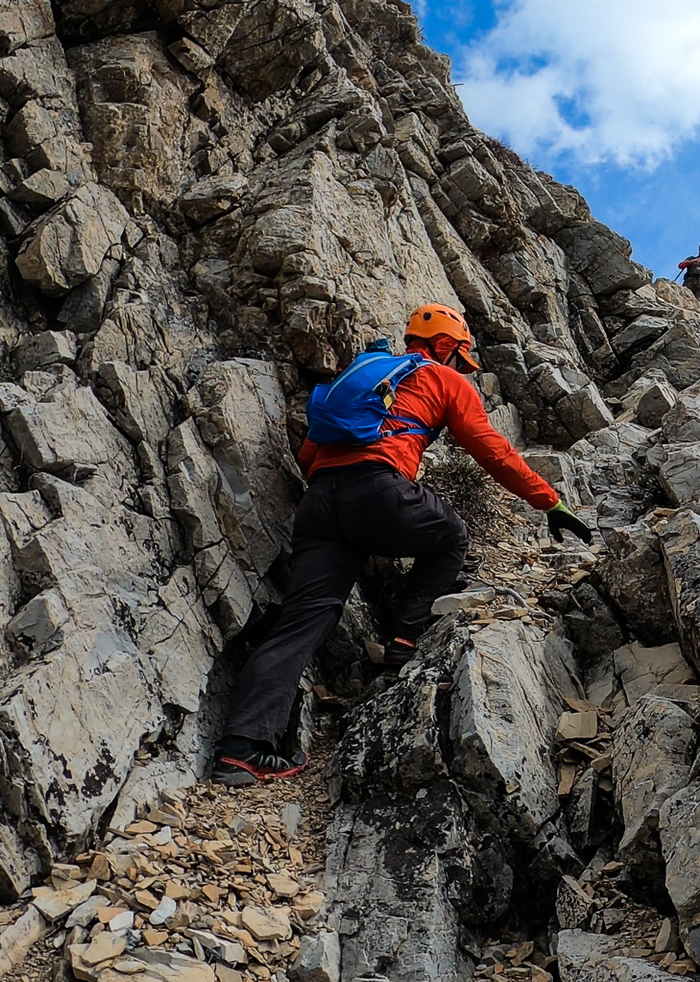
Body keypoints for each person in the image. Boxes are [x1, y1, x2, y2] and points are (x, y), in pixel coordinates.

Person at [212, 303, 594, 785]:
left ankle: (242, 749)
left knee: (301, 622)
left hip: (320, 499)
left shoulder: (371, 377)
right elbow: (492, 450)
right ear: (443, 347)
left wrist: (338, 499)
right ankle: (403, 641)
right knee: (451, 534)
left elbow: (311, 449)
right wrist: (550, 501)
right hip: (378, 489)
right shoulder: (444, 379)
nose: (461, 369)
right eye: (460, 357)